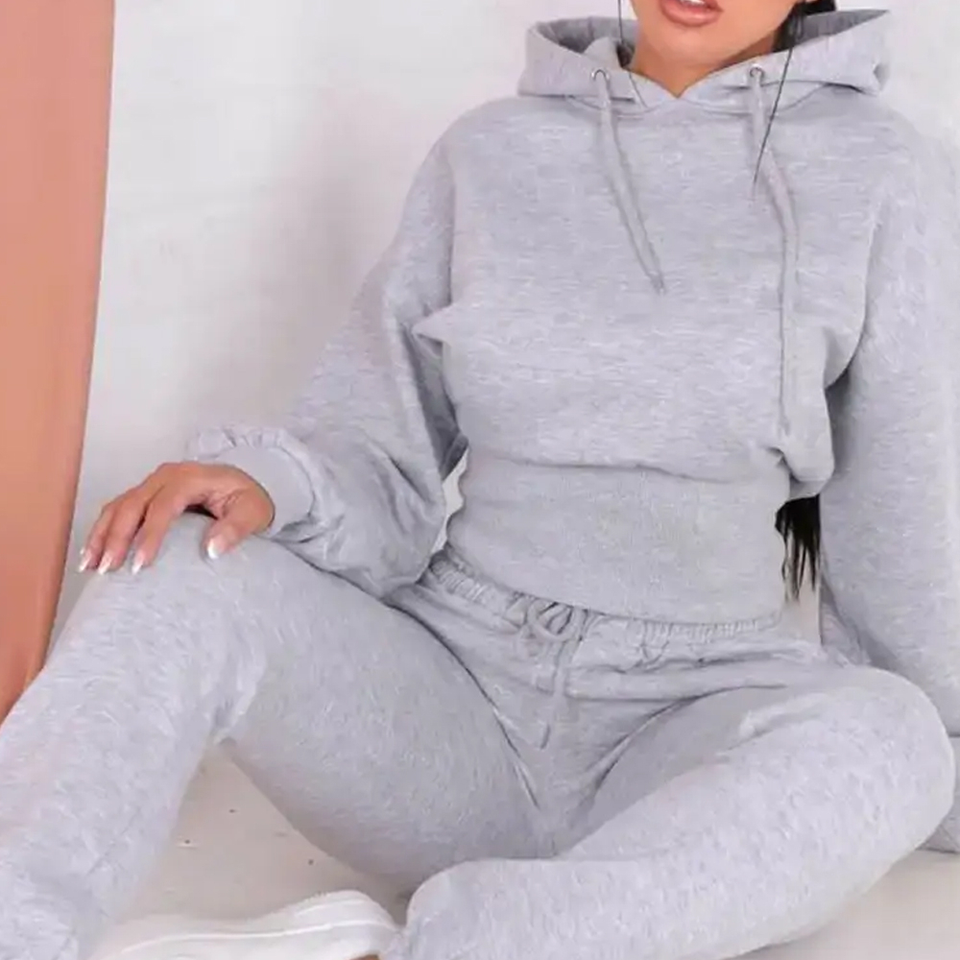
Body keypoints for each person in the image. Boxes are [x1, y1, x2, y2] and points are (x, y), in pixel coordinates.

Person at [3, 1, 960, 958]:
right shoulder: (489, 154)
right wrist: (270, 483)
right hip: (450, 710)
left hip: (688, 734)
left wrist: (941, 746)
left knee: (898, 737)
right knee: (174, 559)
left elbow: (909, 511)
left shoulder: (878, 173)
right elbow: (380, 447)